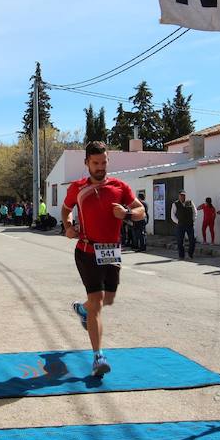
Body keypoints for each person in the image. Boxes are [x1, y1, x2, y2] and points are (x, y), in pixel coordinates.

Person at [62, 141, 145, 378]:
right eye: (95, 163)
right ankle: (98, 357)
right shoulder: (77, 188)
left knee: (108, 300)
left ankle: (83, 310)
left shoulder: (120, 187)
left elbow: (141, 211)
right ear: (87, 163)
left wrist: (127, 213)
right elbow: (66, 210)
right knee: (97, 302)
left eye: (103, 162)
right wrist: (68, 227)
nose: (100, 167)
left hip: (112, 252)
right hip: (86, 250)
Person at [171, 191, 197, 260]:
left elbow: (195, 212)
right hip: (180, 225)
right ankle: (181, 256)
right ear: (179, 196)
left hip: (189, 225)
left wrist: (193, 220)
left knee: (192, 240)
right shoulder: (175, 204)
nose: (182, 197)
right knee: (180, 241)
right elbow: (172, 215)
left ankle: (190, 254)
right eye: (181, 195)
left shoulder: (190, 202)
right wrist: (177, 221)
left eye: (183, 195)